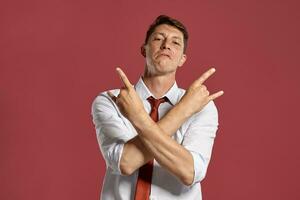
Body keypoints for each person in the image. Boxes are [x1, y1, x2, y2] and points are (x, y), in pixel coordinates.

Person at [91, 15, 224, 200]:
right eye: (158, 39)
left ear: (182, 59)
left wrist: (138, 117)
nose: (166, 45)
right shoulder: (112, 100)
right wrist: (184, 110)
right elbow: (126, 162)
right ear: (144, 50)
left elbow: (189, 172)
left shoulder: (201, 106)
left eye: (175, 42)